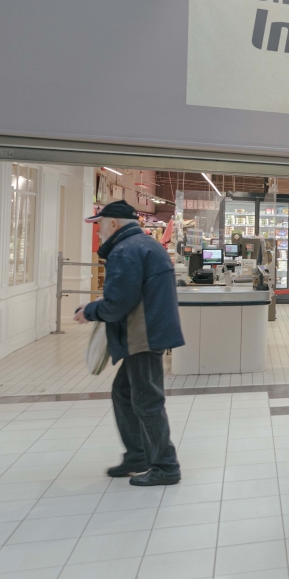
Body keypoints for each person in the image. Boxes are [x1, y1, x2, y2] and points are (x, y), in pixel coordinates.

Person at [74, 201, 184, 487]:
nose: (98, 232)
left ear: (114, 224)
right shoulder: (143, 245)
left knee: (147, 401)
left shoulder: (126, 250)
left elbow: (118, 303)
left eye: (100, 225)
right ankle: (138, 455)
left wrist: (90, 311)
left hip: (143, 335)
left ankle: (165, 466)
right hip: (148, 330)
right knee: (124, 392)